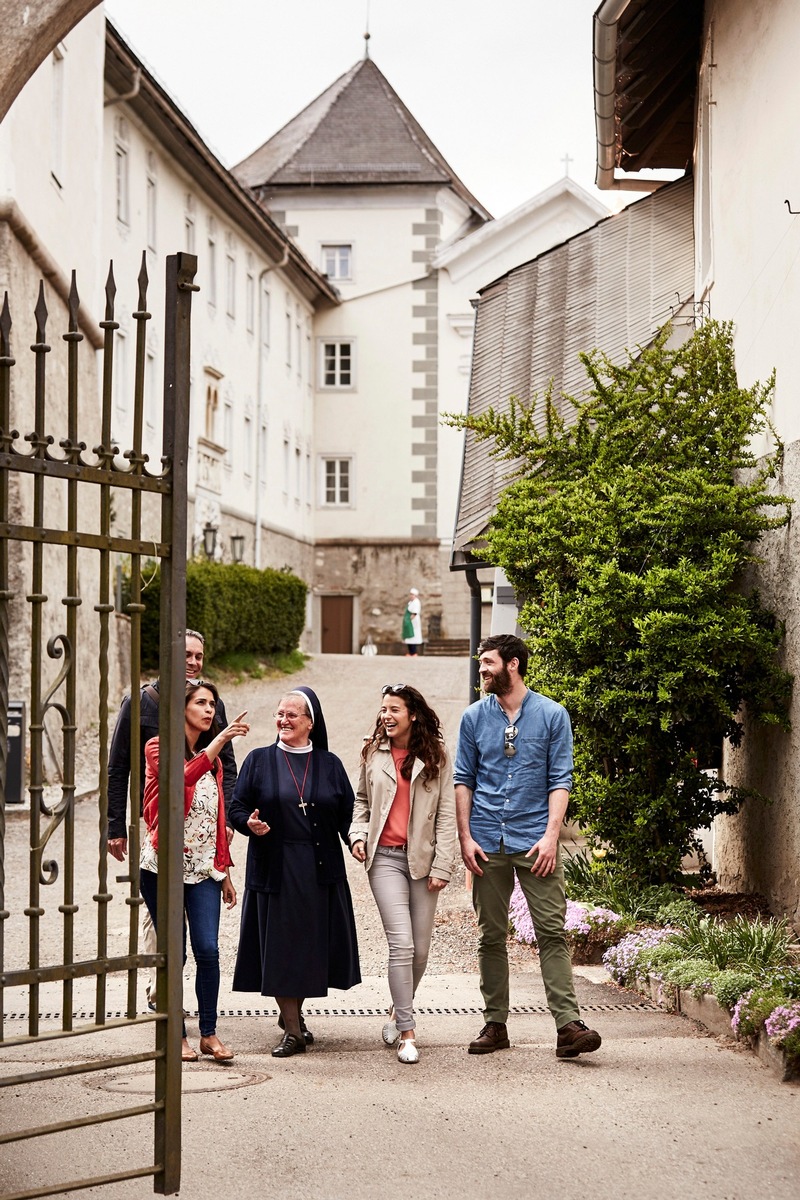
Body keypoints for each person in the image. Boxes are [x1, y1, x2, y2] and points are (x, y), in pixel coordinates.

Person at [453, 633, 602, 1059]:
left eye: (488, 662)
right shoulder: (473, 718)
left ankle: (568, 1027)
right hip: (486, 841)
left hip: (536, 839)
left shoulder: (553, 715)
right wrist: (466, 838)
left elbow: (561, 778)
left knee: (552, 932)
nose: (481, 669)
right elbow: (464, 778)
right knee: (490, 936)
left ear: (512, 664)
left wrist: (552, 834)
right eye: (480, 663)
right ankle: (495, 1024)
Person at [107, 629, 238, 1009]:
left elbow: (226, 766)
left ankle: (182, 997)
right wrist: (116, 826)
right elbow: (119, 768)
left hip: (201, 831)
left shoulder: (211, 704)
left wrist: (224, 820)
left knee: (201, 931)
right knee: (160, 915)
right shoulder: (140, 703)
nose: (193, 662)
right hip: (159, 825)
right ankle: (160, 985)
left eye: (199, 656)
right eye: (187, 655)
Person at [228, 686, 360, 1058]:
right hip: (275, 868)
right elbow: (237, 806)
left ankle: (294, 1018)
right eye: (279, 714)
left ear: (310, 723)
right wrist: (247, 824)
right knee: (281, 949)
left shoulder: (329, 763)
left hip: (317, 870)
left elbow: (348, 814)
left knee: (307, 949)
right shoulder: (259, 760)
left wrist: (356, 841)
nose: (283, 721)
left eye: (292, 715)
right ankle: (292, 1030)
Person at [140, 680, 249, 1063]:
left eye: (212, 705)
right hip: (162, 869)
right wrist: (219, 740)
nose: (209, 710)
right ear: (180, 708)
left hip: (204, 871)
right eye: (201, 703)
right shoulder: (157, 748)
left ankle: (209, 1033)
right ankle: (175, 1033)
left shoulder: (215, 763)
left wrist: (225, 872)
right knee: (176, 953)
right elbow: (179, 779)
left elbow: (216, 821)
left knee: (208, 949)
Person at [350, 684, 457, 1064]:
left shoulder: (436, 757)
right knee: (402, 944)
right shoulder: (372, 753)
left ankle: (398, 1008)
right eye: (383, 709)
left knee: (422, 950)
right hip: (384, 859)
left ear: (412, 714)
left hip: (423, 861)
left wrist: (443, 865)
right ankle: (408, 1033)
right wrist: (358, 835)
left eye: (394, 709)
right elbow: (360, 801)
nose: (386, 716)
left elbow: (446, 816)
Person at [402, 587, 423, 656]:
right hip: (409, 622)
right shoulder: (410, 602)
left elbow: (414, 612)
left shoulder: (416, 602)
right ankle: (410, 652)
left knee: (413, 636)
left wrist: (410, 619)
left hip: (413, 622)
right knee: (408, 637)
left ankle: (414, 652)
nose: (411, 596)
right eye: (410, 594)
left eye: (412, 594)